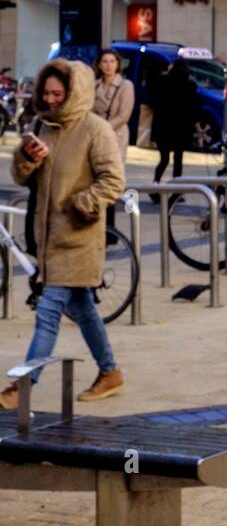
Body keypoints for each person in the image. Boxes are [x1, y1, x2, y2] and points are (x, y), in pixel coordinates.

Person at [0, 60, 125, 411]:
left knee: (48, 311)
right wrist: (26, 158)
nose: (50, 99)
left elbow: (114, 180)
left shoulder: (95, 129)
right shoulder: (43, 126)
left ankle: (22, 385)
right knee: (84, 311)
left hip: (78, 238)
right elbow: (23, 178)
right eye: (46, 92)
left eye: (58, 93)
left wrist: (81, 203)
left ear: (74, 93)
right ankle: (110, 372)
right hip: (47, 239)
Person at [91, 48, 134, 227]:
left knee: (111, 179)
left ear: (118, 64)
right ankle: (98, 223)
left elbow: (124, 115)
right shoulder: (94, 85)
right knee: (95, 179)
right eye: (104, 62)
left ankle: (110, 227)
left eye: (112, 61)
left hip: (115, 136)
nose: (108, 65)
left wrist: (103, 128)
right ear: (99, 65)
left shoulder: (126, 86)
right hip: (94, 138)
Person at [151, 59, 198, 190]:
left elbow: (153, 102)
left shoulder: (161, 82)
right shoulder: (190, 85)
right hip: (181, 128)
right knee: (178, 160)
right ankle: (175, 189)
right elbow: (193, 107)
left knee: (164, 159)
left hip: (163, 127)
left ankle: (155, 184)